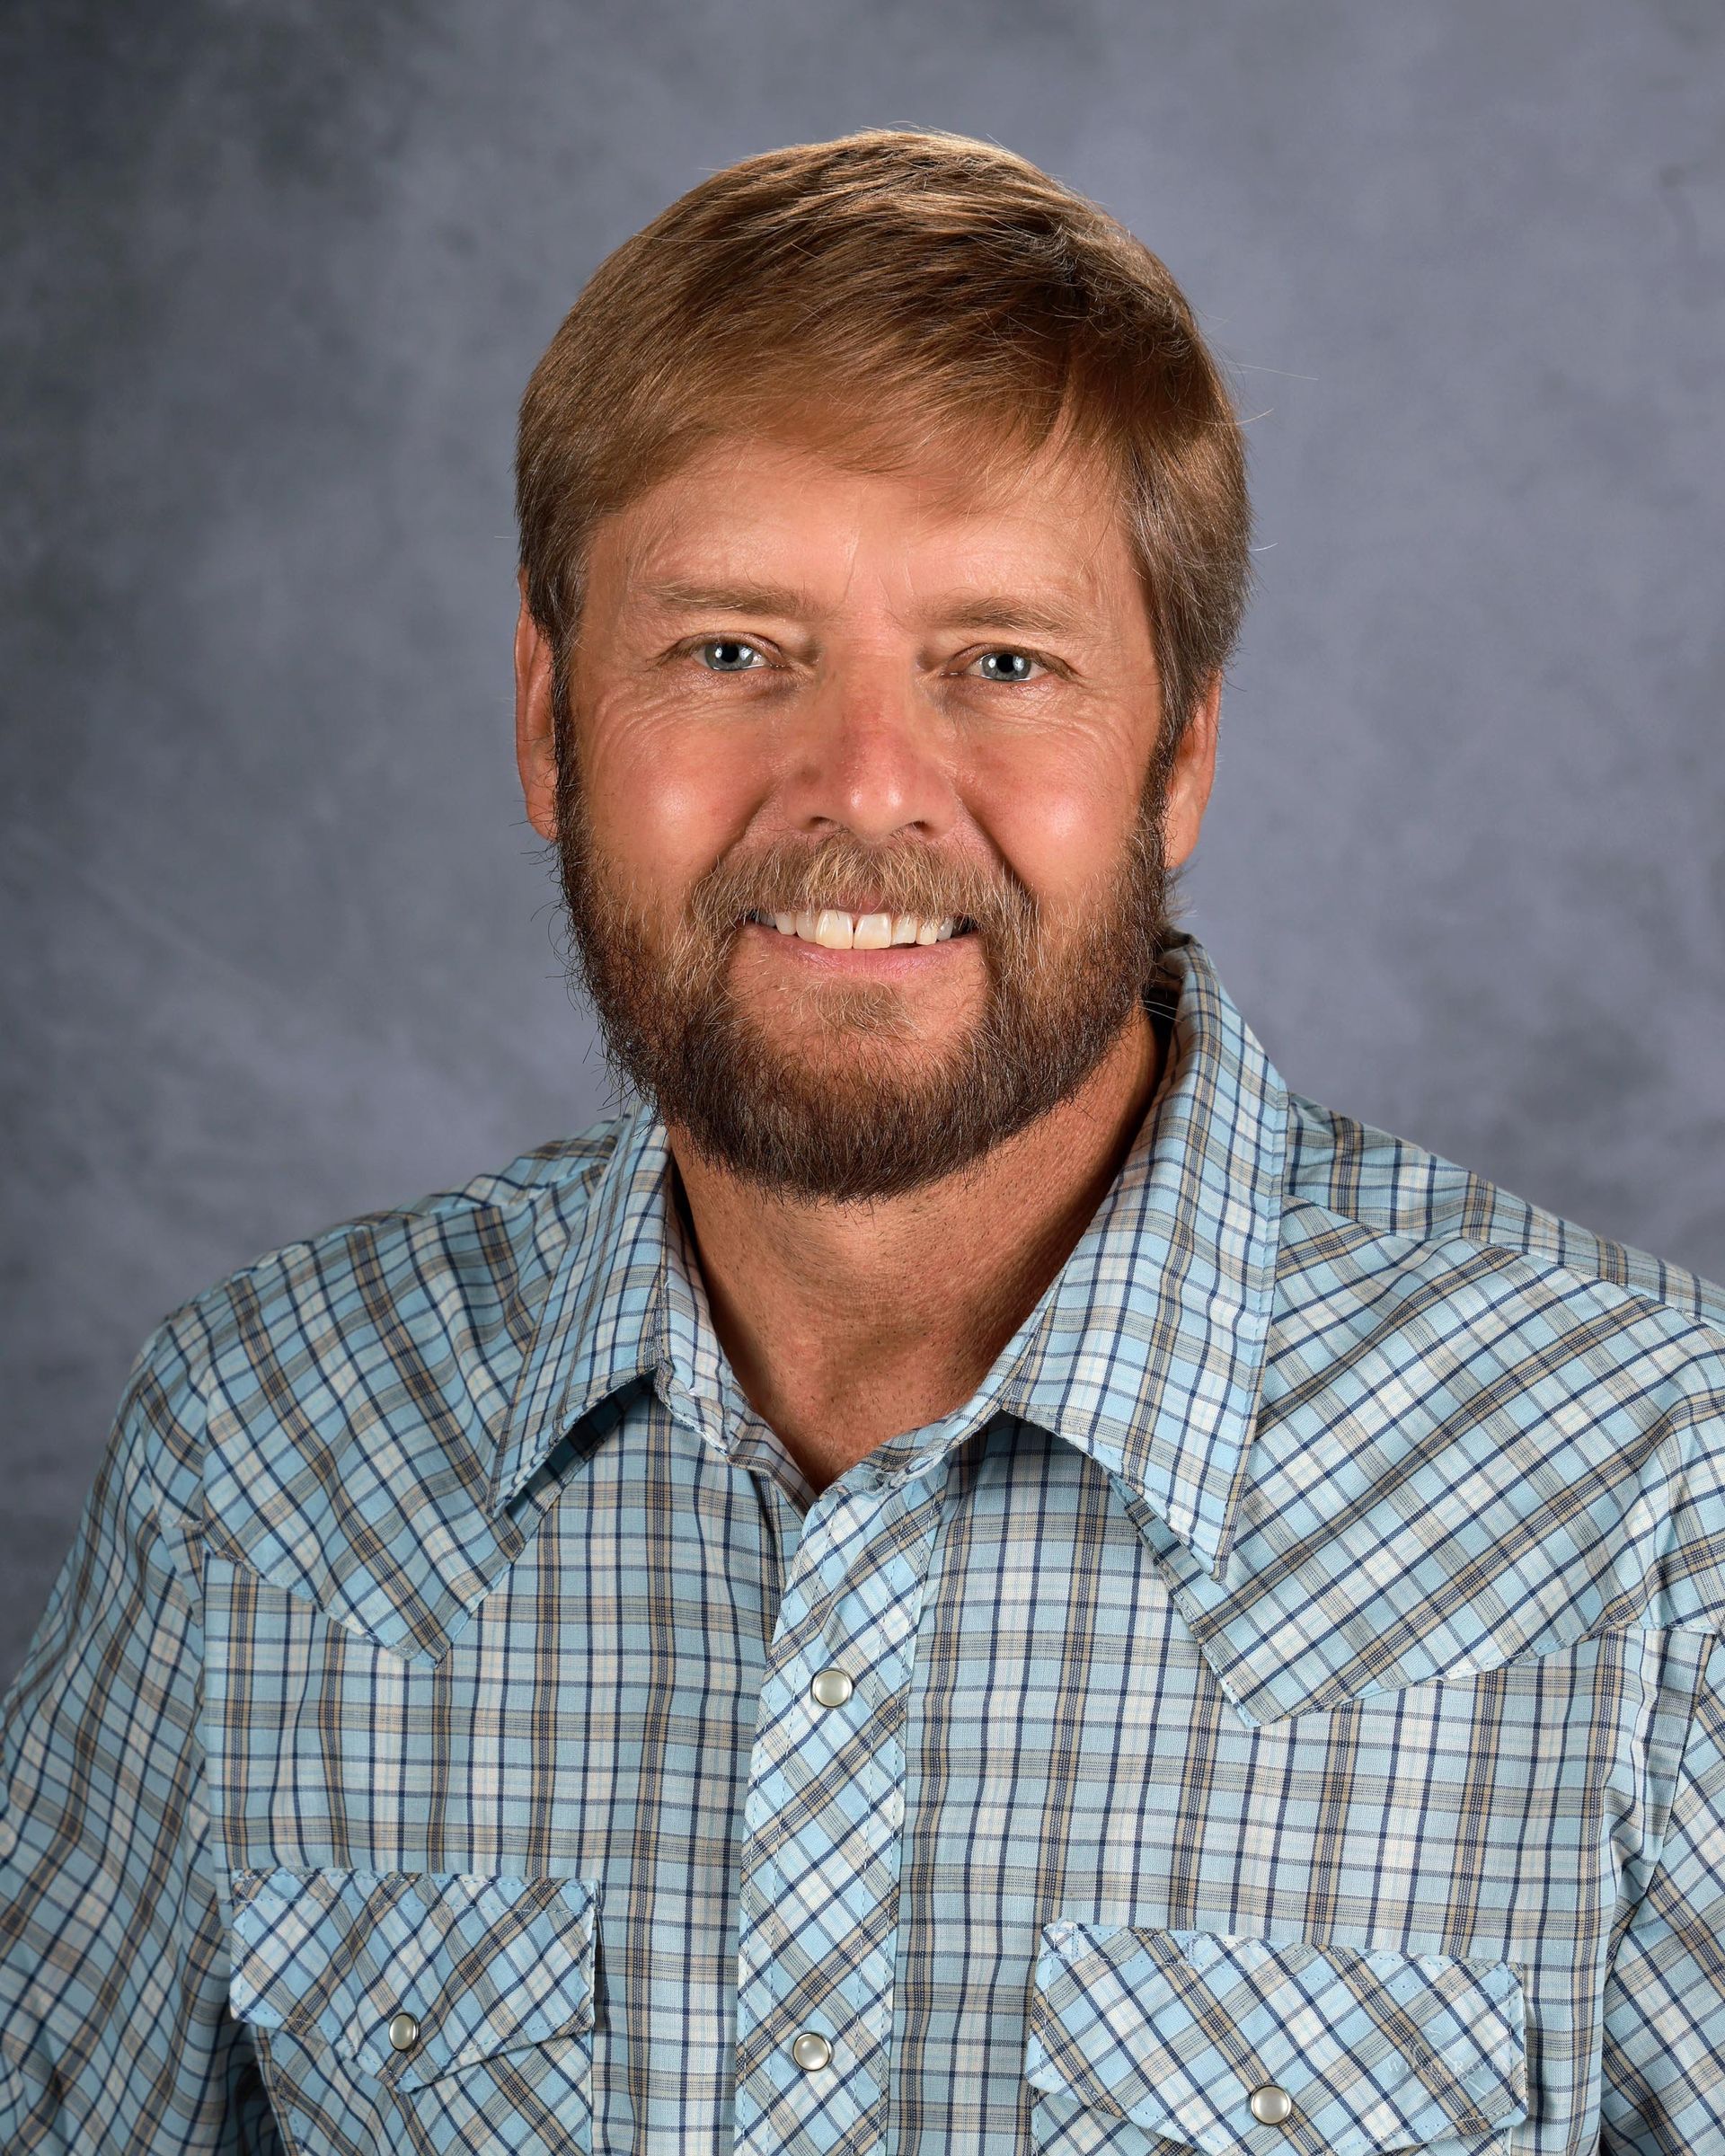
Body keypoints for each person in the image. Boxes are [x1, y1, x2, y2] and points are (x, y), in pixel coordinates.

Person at [2, 128, 1721, 2156]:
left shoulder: (1649, 1509)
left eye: (1001, 663)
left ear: (1177, 758)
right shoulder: (260, 1464)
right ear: (551, 725)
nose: (865, 795)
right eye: (734, 652)